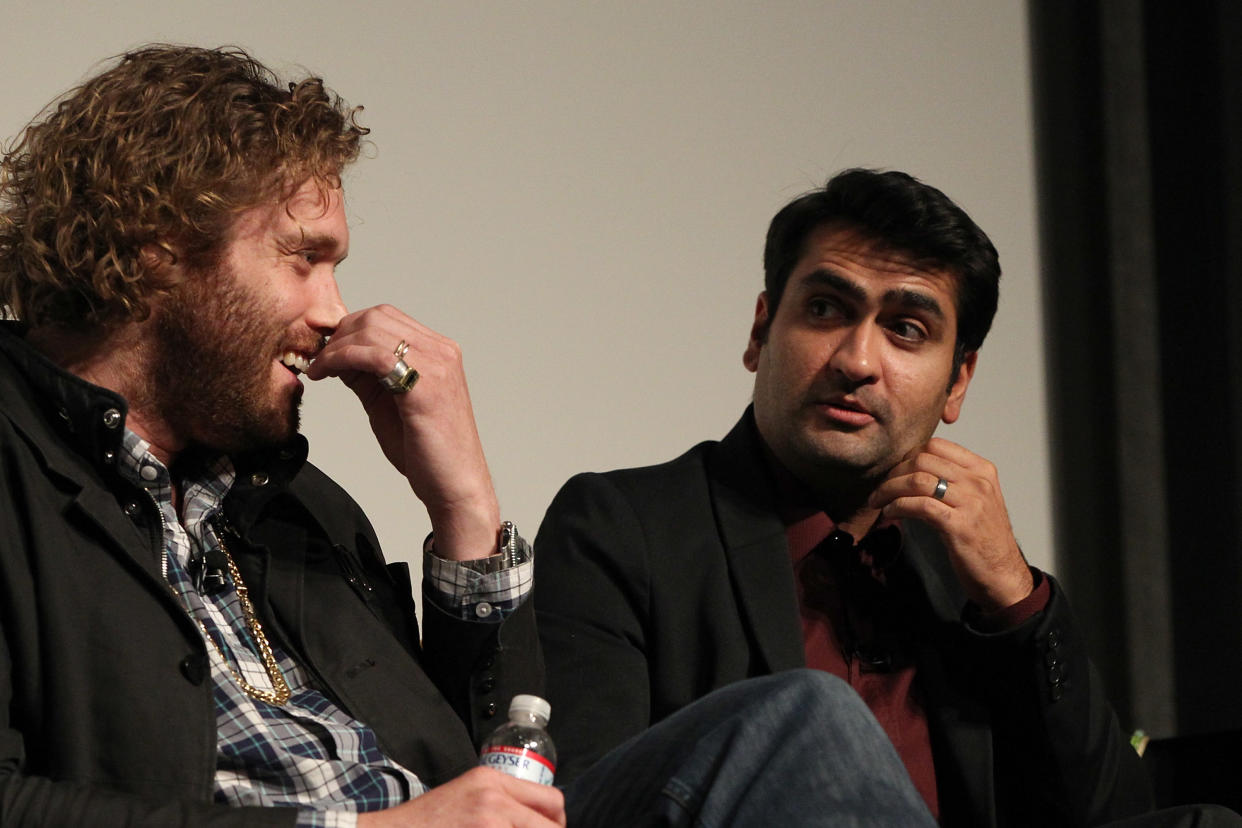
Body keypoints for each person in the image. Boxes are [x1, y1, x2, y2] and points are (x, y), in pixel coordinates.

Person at [0, 46, 952, 827]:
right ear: (159, 245)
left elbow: (505, 765)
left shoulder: (294, 509)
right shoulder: (19, 460)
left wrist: (463, 506)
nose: (335, 311)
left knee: (789, 726)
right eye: (304, 260)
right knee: (811, 720)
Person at [533, 169, 1176, 827]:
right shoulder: (621, 528)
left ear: (958, 382)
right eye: (825, 309)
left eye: (906, 328)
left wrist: (1017, 602)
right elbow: (582, 805)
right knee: (817, 716)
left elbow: (1114, 818)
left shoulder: (967, 585)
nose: (857, 359)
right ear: (760, 332)